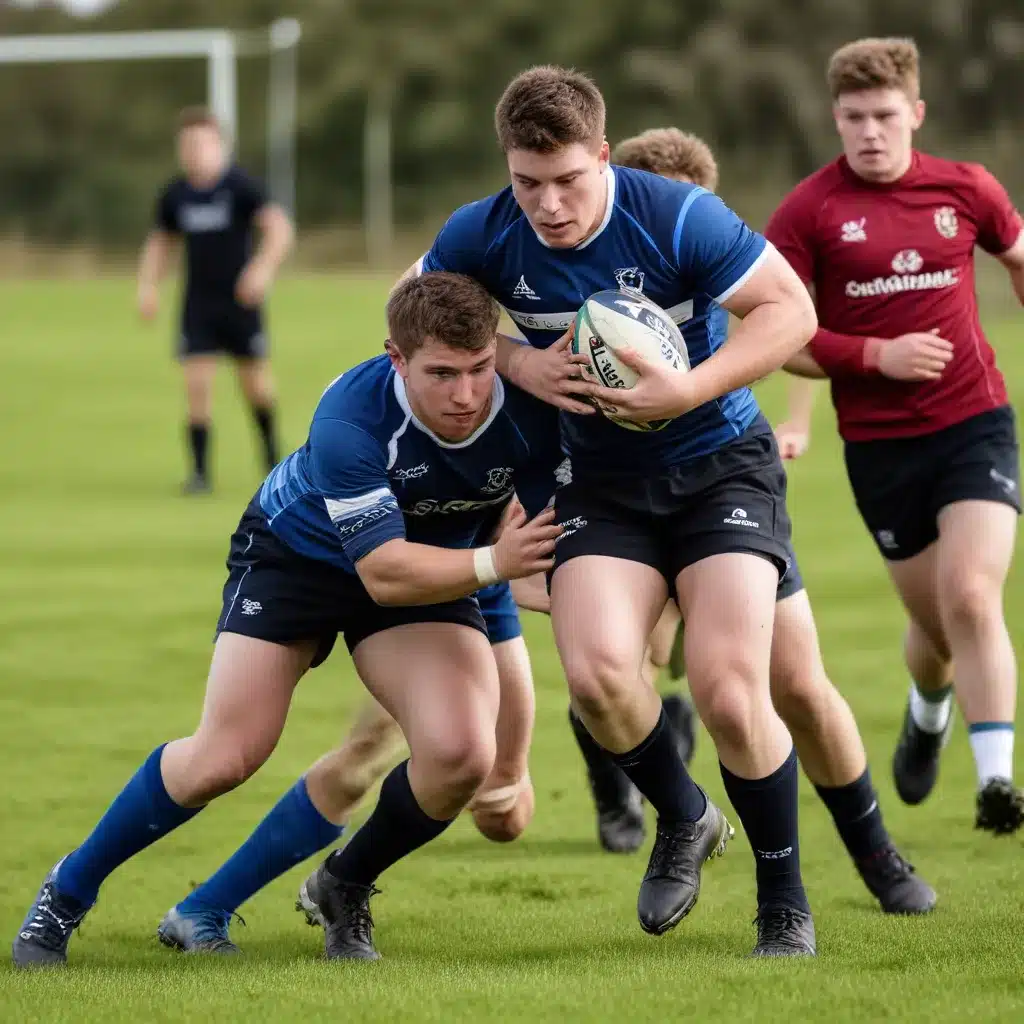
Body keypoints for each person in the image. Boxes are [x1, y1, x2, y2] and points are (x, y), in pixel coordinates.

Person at [12, 271, 563, 968]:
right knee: (224, 758)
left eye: (480, 368)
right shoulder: (352, 417)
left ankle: (338, 885)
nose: (465, 394)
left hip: (435, 567)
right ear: (397, 359)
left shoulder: (527, 407)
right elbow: (383, 573)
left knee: (462, 756)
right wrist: (496, 563)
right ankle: (68, 889)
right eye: (442, 374)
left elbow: (557, 521)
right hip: (299, 557)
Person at [408, 64, 821, 957]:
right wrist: (517, 360)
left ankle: (783, 901)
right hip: (597, 480)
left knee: (727, 690)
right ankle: (684, 815)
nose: (548, 205)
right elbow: (410, 315)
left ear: (603, 156)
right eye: (528, 183)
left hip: (719, 467)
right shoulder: (482, 231)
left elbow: (792, 314)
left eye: (567, 179)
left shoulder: (677, 215)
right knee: (598, 679)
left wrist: (690, 388)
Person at [549, 125, 933, 914]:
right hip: (618, 495)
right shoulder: (582, 280)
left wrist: (804, 414)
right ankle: (640, 805)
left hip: (721, 484)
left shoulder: (713, 263)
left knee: (796, 686)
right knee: (614, 669)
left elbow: (793, 338)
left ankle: (875, 852)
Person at [765, 37, 1024, 833]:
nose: (870, 131)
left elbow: (1017, 254)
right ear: (836, 118)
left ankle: (996, 784)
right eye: (854, 117)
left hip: (975, 424)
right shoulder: (809, 211)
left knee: (972, 595)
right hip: (880, 447)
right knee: (940, 627)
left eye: (883, 115)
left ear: (915, 112)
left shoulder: (966, 187)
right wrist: (875, 355)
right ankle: (929, 704)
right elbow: (776, 334)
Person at [136, 106, 294, 494]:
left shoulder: (241, 187)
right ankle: (199, 475)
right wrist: (148, 286)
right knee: (197, 384)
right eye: (186, 145)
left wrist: (261, 270)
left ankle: (273, 463)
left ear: (219, 145)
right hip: (198, 304)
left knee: (255, 386)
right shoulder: (176, 194)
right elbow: (161, 243)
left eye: (200, 143)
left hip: (240, 303)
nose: (193, 152)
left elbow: (279, 229)